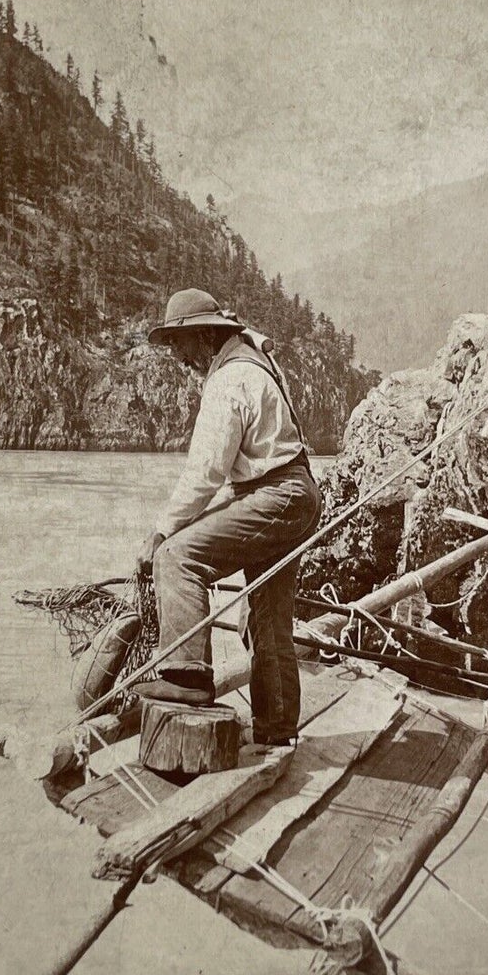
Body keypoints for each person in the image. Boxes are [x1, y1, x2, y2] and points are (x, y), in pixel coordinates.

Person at [135, 288, 322, 747]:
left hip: (275, 494)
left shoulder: (228, 380)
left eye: (179, 344)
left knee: (177, 559)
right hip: (297, 494)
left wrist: (160, 533)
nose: (178, 356)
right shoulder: (253, 362)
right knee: (267, 617)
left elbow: (204, 475)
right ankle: (277, 730)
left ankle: (187, 677)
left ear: (203, 337)